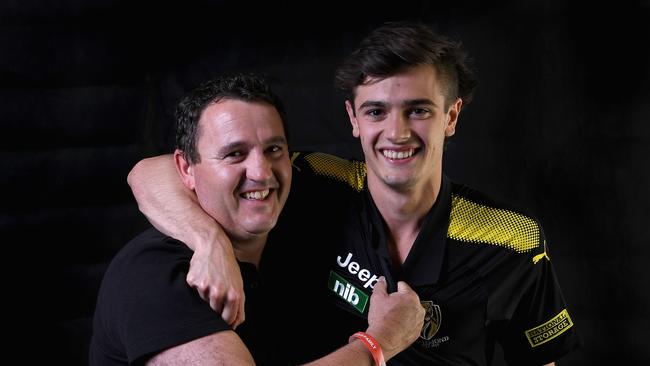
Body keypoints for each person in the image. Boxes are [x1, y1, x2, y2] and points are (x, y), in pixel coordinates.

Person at [128, 22, 581, 365]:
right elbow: (150, 173)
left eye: (418, 110)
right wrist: (208, 242)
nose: (396, 133)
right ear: (353, 119)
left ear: (451, 115)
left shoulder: (513, 241)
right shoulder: (317, 182)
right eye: (376, 111)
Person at [90, 74, 425, 365]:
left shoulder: (290, 215)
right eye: (234, 153)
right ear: (185, 169)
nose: (262, 172)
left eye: (274, 149)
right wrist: (380, 341)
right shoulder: (155, 275)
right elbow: (143, 173)